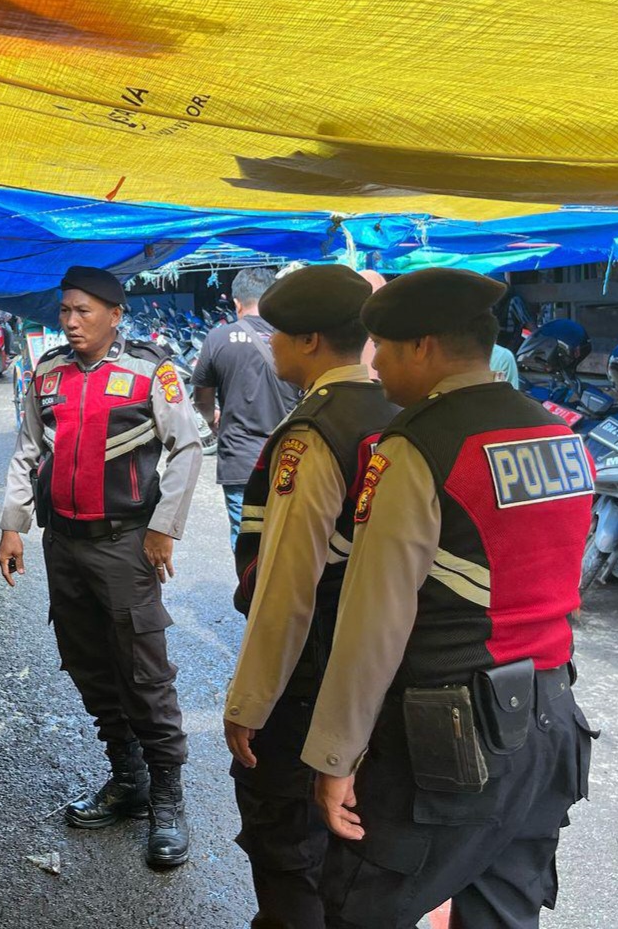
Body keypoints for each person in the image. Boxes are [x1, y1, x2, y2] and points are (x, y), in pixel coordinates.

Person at [302, 267, 597, 929]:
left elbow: (372, 622)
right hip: (549, 719)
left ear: (422, 347)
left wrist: (334, 755)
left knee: (362, 902)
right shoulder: (560, 434)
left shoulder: (418, 446)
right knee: (501, 909)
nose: (373, 368)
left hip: (450, 735)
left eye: (381, 348)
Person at [0, 265, 203, 868]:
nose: (70, 322)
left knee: (144, 668)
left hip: (124, 544)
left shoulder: (150, 371)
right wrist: (14, 524)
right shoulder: (48, 373)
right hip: (63, 543)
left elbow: (186, 448)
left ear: (115, 315)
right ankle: (129, 778)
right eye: (64, 311)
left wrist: (164, 528)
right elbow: (28, 448)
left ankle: (167, 799)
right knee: (87, 661)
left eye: (83, 311)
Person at [222, 266, 399, 929]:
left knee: (286, 842)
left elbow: (286, 588)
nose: (268, 347)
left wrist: (248, 701)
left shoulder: (315, 430)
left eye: (276, 336)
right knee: (352, 849)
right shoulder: (396, 411)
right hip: (374, 674)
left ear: (310, 340)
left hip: (309, 680)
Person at [192, 268, 300, 548]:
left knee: (247, 541)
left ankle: (252, 591)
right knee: (290, 539)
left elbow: (202, 400)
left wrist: (212, 418)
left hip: (240, 459)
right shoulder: (295, 338)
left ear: (237, 303)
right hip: (291, 455)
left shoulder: (217, 339)